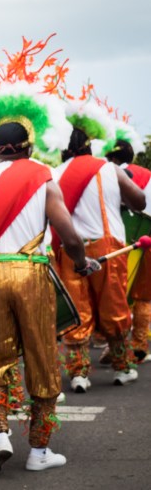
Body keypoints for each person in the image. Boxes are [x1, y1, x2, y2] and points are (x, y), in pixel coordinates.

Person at [0, 110, 92, 474]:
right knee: (42, 358)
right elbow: (69, 235)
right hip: (31, 275)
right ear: (28, 148)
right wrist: (81, 261)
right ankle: (39, 451)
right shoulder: (43, 176)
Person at [55, 126, 146, 390]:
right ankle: (122, 367)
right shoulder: (109, 168)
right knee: (114, 307)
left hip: (71, 249)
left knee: (78, 311)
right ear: (89, 144)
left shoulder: (56, 173)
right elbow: (139, 202)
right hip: (107, 248)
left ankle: (79, 373)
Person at [105, 135, 151, 362]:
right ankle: (139, 345)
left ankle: (113, 348)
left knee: (116, 294)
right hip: (148, 242)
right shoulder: (148, 175)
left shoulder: (108, 175)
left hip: (119, 243)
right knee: (144, 297)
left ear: (110, 156)